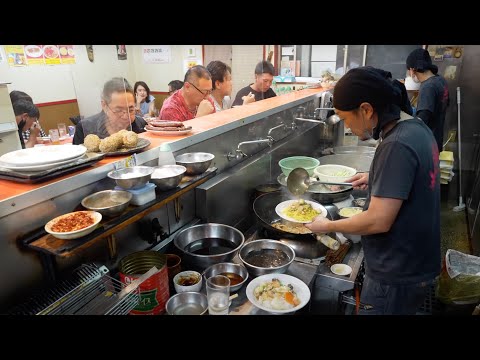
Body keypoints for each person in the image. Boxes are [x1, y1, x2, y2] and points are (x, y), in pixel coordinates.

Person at [305, 67, 441, 315]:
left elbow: (378, 221)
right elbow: (415, 178)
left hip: (396, 273)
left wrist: (327, 226)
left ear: (366, 109)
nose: (349, 128)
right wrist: (375, 176)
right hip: (416, 263)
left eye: (346, 119)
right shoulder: (415, 127)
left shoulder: (396, 144)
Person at [73, 77, 147, 145]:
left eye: (130, 110)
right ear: (104, 106)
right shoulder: (85, 129)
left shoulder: (140, 124)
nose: (125, 116)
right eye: (119, 110)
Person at [406, 48, 450, 152]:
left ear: (413, 70)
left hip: (426, 145)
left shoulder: (428, 87)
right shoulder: (441, 80)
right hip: (436, 140)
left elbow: (422, 121)